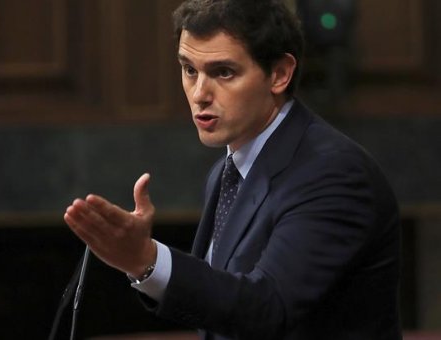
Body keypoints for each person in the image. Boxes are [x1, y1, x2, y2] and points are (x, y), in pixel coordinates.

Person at [63, 0, 401, 339]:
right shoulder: (228, 170)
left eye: (224, 72)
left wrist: (146, 260)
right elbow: (221, 312)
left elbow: (269, 308)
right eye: (189, 69)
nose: (199, 94)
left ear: (280, 74)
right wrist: (143, 263)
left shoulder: (334, 174)